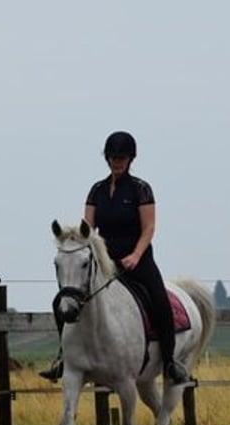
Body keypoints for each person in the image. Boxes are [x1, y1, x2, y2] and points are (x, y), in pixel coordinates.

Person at [39, 130, 191, 384]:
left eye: (121, 157)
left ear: (130, 159)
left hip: (137, 259)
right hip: (106, 262)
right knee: (62, 302)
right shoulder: (96, 191)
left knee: (160, 301)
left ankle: (169, 361)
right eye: (112, 157)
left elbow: (149, 228)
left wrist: (135, 255)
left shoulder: (141, 189)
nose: (116, 162)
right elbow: (87, 229)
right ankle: (64, 357)